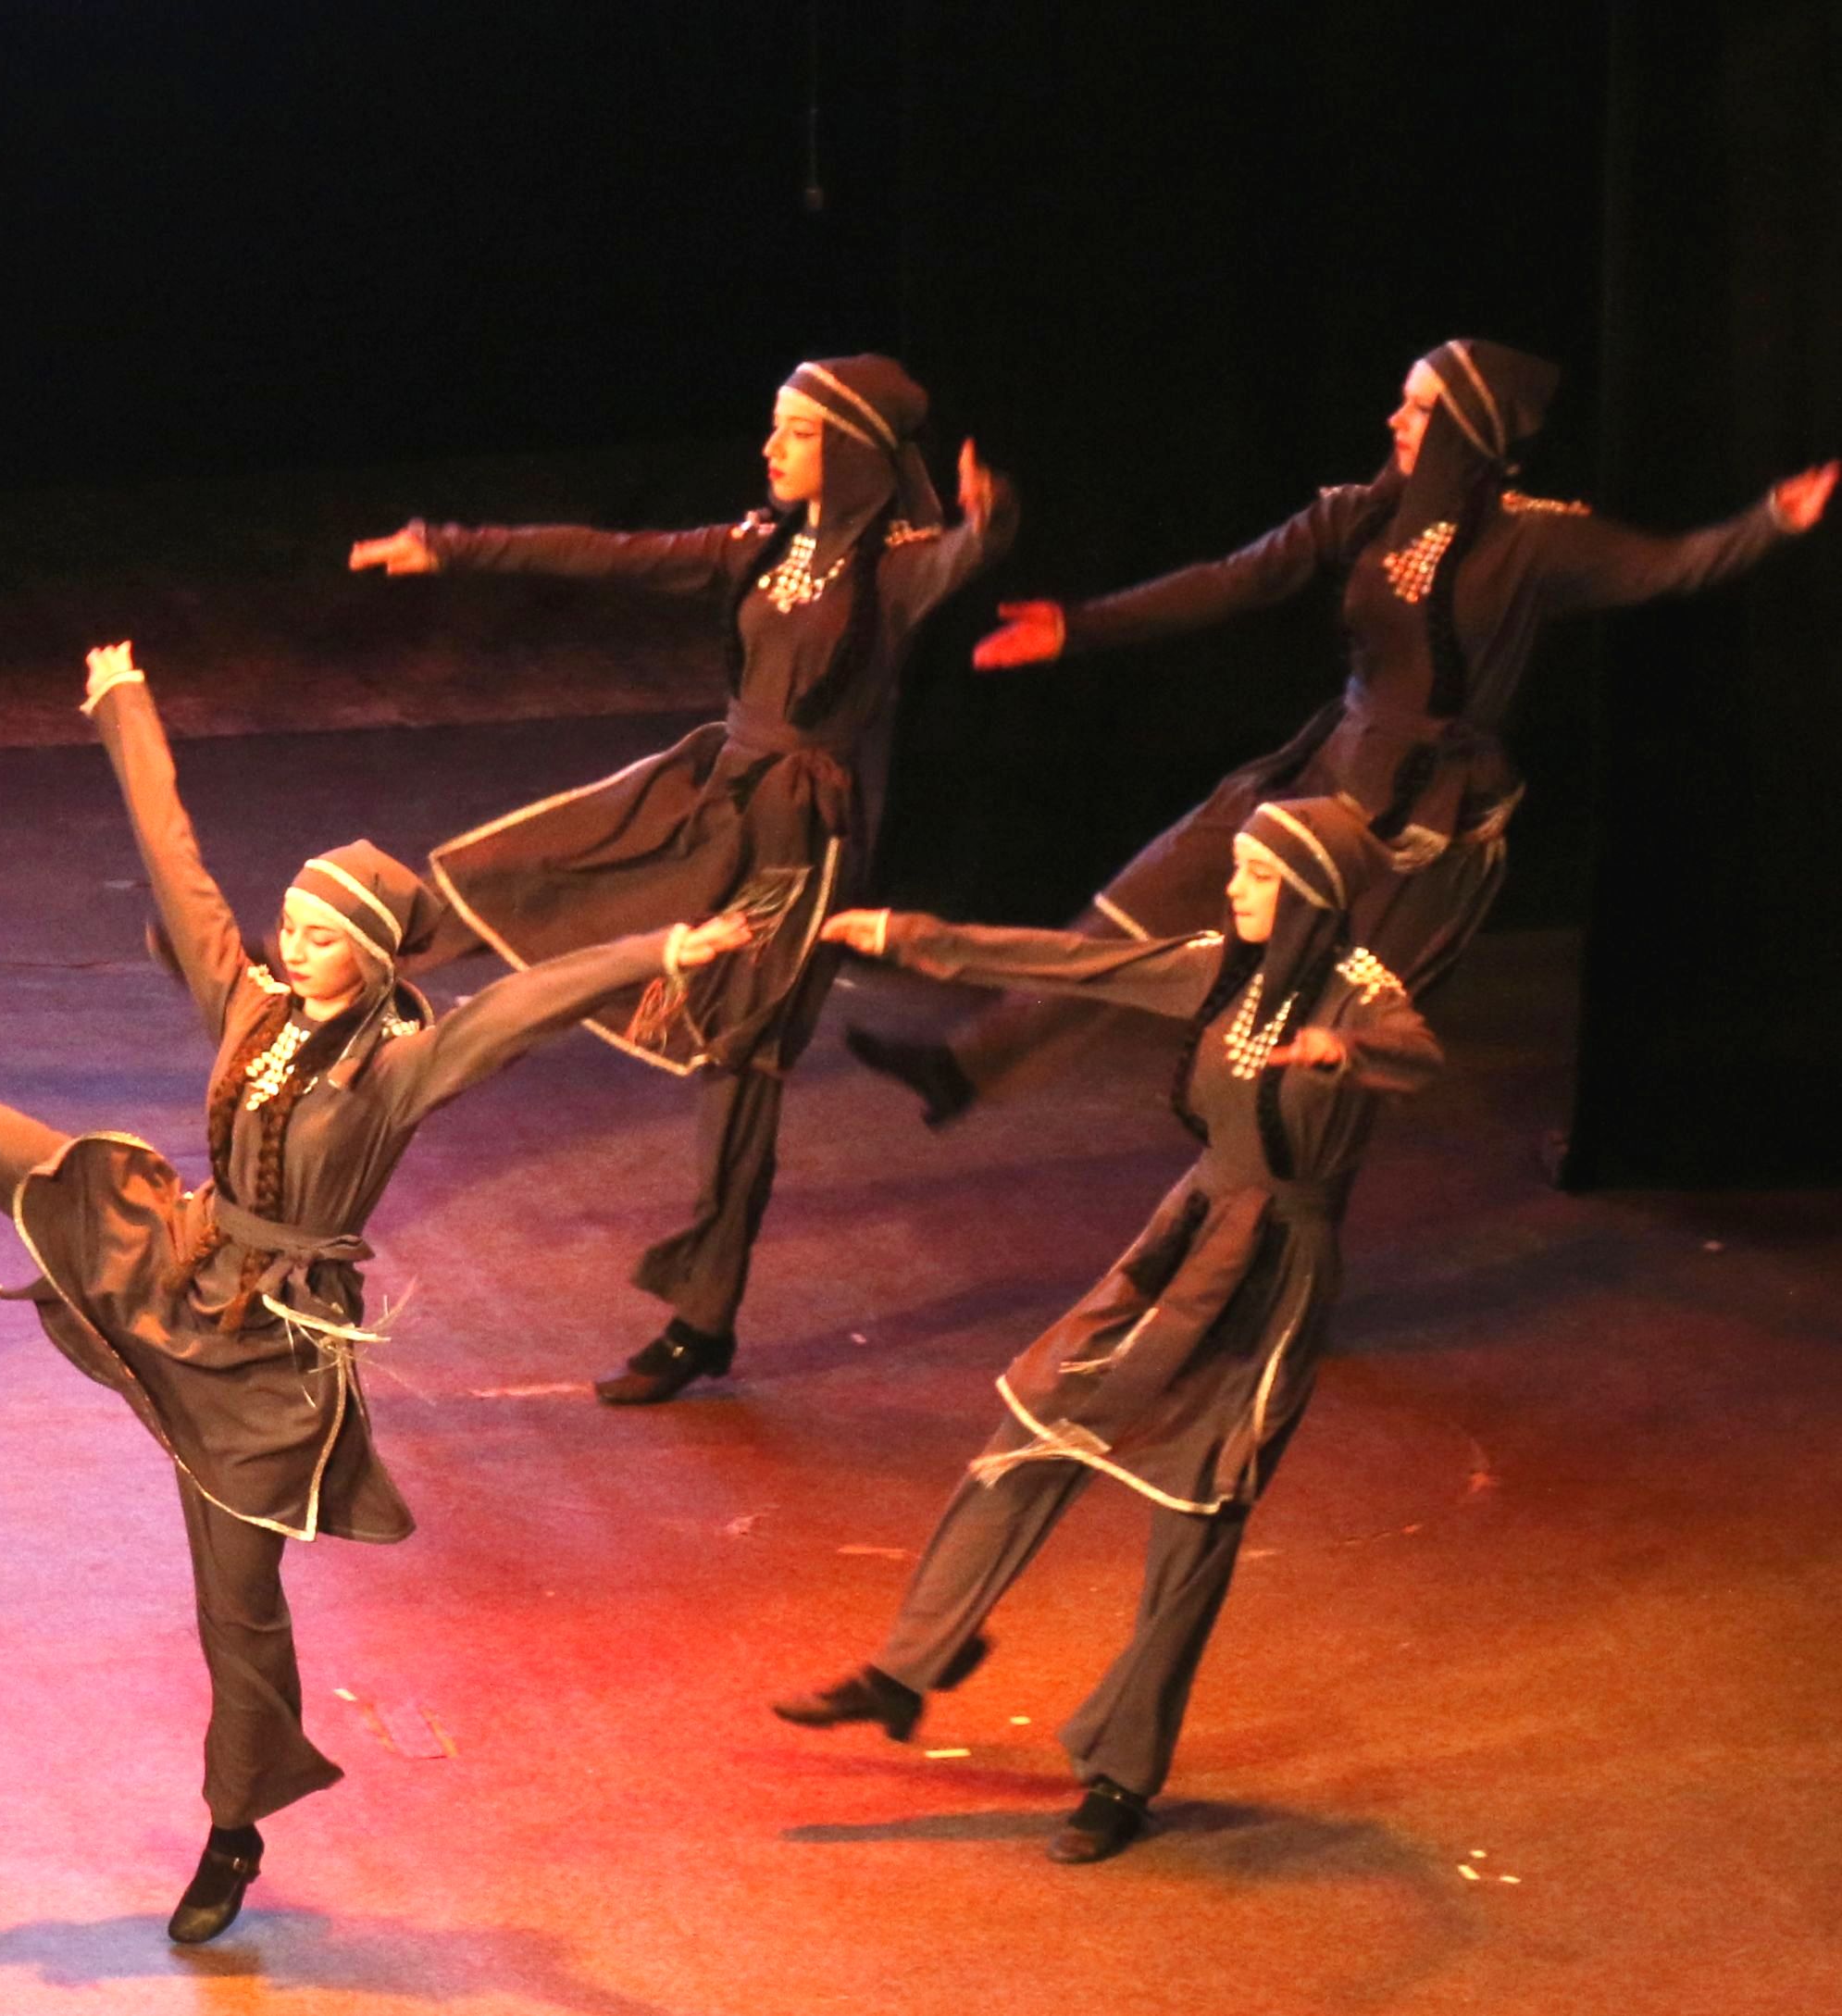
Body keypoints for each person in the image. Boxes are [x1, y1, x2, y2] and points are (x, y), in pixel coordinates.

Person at [0, 643, 760, 1941]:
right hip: (177, 1256)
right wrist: (122, 707)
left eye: (324, 935)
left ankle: (234, 1824)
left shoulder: (397, 1065)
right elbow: (181, 871)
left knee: (237, 1605)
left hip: (269, 1359)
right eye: (295, 924)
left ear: (371, 954)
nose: (296, 944)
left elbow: (519, 1011)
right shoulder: (253, 1005)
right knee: (18, 1155)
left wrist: (659, 948)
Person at [847, 339, 1836, 1126]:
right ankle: (966, 1065)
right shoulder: (1360, 516)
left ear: (1468, 430)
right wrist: (1081, 625)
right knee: (1145, 899)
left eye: (1418, 408)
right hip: (1325, 761)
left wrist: (1769, 523)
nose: (1394, 420)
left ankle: (1263, 1181)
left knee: (1328, 1021)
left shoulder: (1536, 538)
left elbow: (1670, 566)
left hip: (1418, 806)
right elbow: (1233, 579)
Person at [770, 797, 1437, 1864]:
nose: (1234, 888)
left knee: (1196, 1518)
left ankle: (1121, 1774)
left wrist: (1340, 1052)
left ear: (1311, 893)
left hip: (1272, 1274)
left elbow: (1414, 1054)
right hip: (1185, 1238)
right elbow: (1075, 964)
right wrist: (913, 936)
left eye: (1258, 876)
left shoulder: (1363, 992)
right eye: (1238, 868)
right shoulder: (1221, 968)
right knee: (1034, 1423)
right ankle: (908, 1666)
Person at [348, 357, 1012, 1403]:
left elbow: (966, 556)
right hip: (715, 788)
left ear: (849, 453)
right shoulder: (759, 546)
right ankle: (349, 954)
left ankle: (703, 1322)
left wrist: (990, 521)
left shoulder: (896, 567)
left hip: (798, 842)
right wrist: (453, 544)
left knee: (741, 1068)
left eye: (796, 432)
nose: (770, 448)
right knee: (547, 861)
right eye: (774, 427)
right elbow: (610, 554)